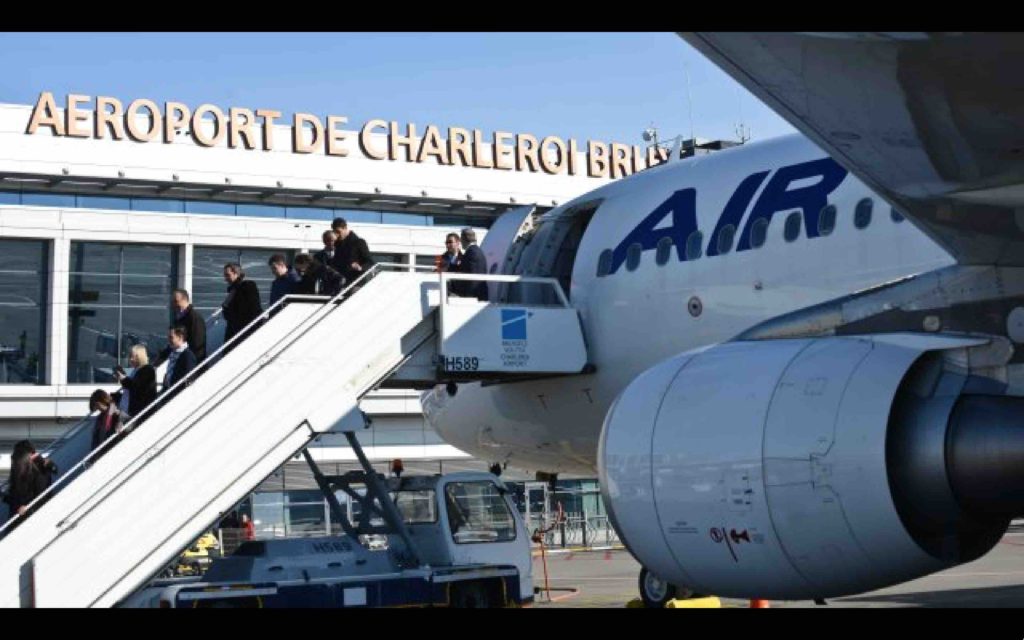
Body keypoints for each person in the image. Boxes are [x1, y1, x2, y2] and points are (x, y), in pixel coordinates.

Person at [3, 440, 57, 524]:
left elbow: (42, 496)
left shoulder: (40, 471)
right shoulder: (18, 473)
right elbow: (14, 497)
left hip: (32, 518)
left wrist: (26, 508)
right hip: (19, 517)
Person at [221, 263, 263, 343]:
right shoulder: (233, 290)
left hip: (242, 331)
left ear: (236, 273)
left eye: (228, 275)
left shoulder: (247, 287)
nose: (225, 278)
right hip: (234, 329)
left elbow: (252, 309)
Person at [113, 344, 157, 420]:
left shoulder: (147, 370)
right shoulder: (136, 370)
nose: (130, 359)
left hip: (138, 412)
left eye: (132, 356)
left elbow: (137, 388)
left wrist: (124, 379)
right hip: (129, 410)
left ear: (139, 356)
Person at [329, 217, 375, 287]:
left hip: (356, 284)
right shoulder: (337, 244)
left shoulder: (359, 242)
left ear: (345, 228)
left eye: (338, 232)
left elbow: (370, 262)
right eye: (335, 232)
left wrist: (360, 267)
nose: (337, 235)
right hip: (341, 284)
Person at [453, 228, 489, 301]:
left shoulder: (472, 253)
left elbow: (474, 277)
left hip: (475, 297)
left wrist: (468, 297)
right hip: (477, 295)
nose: (460, 242)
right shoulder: (475, 251)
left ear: (464, 239)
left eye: (461, 239)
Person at [162, 326, 198, 392]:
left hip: (177, 395)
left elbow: (190, 379)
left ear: (180, 337)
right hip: (168, 393)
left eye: (171, 337)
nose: (168, 340)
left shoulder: (188, 356)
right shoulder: (173, 353)